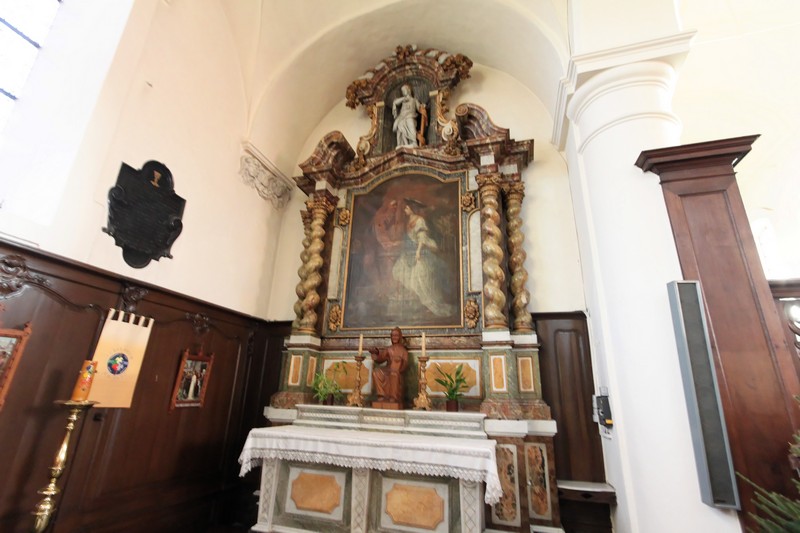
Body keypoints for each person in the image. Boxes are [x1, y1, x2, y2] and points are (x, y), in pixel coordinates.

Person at [392, 199, 456, 318]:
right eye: (405, 208)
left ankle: (432, 304)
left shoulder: (420, 220)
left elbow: (422, 237)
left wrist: (418, 251)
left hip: (421, 251)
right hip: (410, 252)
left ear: (412, 208)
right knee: (399, 270)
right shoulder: (409, 221)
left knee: (422, 278)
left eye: (407, 208)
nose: (405, 210)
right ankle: (421, 303)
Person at [369, 327, 409, 404]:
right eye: (393, 335)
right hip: (388, 369)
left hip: (397, 371)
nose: (394, 337)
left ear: (400, 337)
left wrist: (399, 366)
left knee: (394, 374)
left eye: (396, 335)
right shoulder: (389, 349)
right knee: (376, 372)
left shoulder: (403, 351)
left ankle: (393, 397)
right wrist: (375, 354)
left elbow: (405, 364)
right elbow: (381, 359)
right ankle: (381, 395)